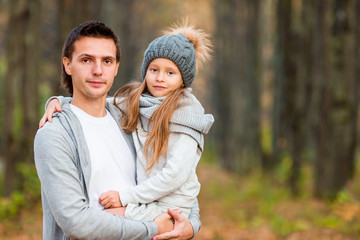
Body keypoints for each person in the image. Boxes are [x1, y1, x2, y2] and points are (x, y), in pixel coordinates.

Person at [34, 20, 200, 240]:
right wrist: (152, 228)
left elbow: (179, 179)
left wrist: (191, 225)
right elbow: (76, 223)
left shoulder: (131, 117)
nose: (97, 70)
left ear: (116, 67)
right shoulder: (54, 134)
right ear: (67, 64)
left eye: (107, 61)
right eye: (86, 60)